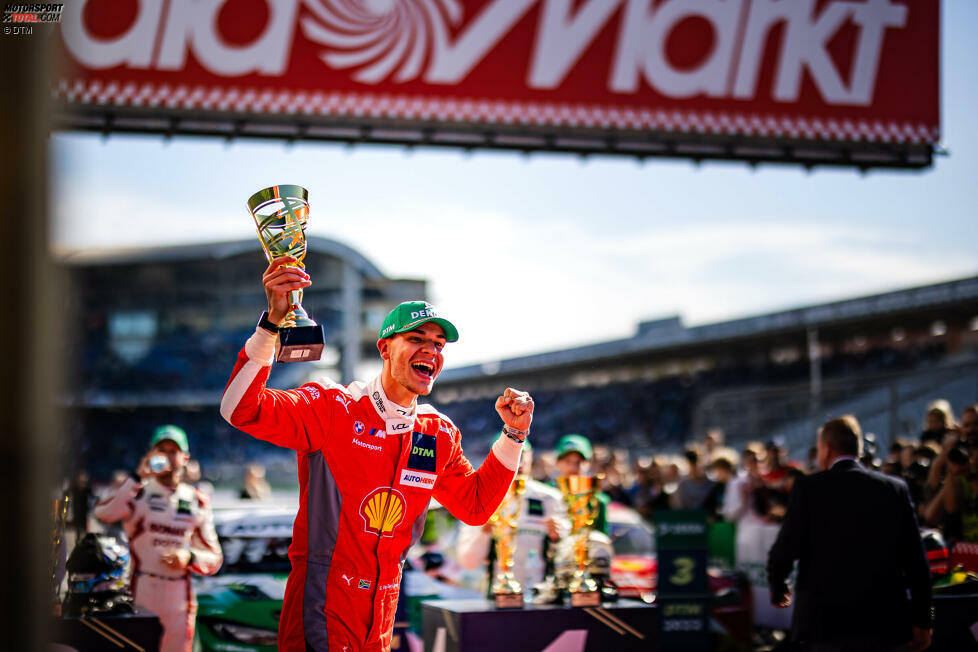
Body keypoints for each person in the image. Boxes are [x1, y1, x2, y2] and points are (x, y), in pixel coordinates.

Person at [220, 256, 534, 652]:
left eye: (438, 345)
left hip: (382, 612)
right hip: (322, 603)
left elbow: (475, 507)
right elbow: (238, 409)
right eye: (416, 339)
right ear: (385, 347)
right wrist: (270, 326)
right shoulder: (332, 405)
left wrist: (513, 435)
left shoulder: (437, 432)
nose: (431, 351)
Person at [767, 415, 933, 652]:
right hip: (883, 623)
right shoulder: (894, 489)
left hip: (826, 623)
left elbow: (785, 549)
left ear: (826, 449)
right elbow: (917, 562)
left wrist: (778, 586)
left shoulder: (808, 489)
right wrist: (925, 619)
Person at [94, 425, 222, 652]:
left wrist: (189, 555)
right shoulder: (138, 492)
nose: (168, 457)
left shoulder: (197, 500)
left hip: (180, 596)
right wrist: (137, 477)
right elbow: (103, 514)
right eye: (161, 450)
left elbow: (215, 558)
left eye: (173, 451)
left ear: (185, 457)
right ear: (151, 454)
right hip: (140, 590)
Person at [456, 440, 569, 592]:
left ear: (530, 456)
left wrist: (559, 536)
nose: (517, 462)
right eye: (508, 455)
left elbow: (570, 553)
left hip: (541, 597)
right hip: (498, 597)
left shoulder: (550, 498)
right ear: (494, 460)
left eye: (521, 454)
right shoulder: (479, 497)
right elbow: (468, 563)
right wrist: (485, 530)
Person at [552, 434, 610, 534]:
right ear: (557, 462)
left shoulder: (598, 501)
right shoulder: (545, 495)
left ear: (588, 464)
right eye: (568, 461)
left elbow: (601, 540)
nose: (573, 468)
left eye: (578, 462)